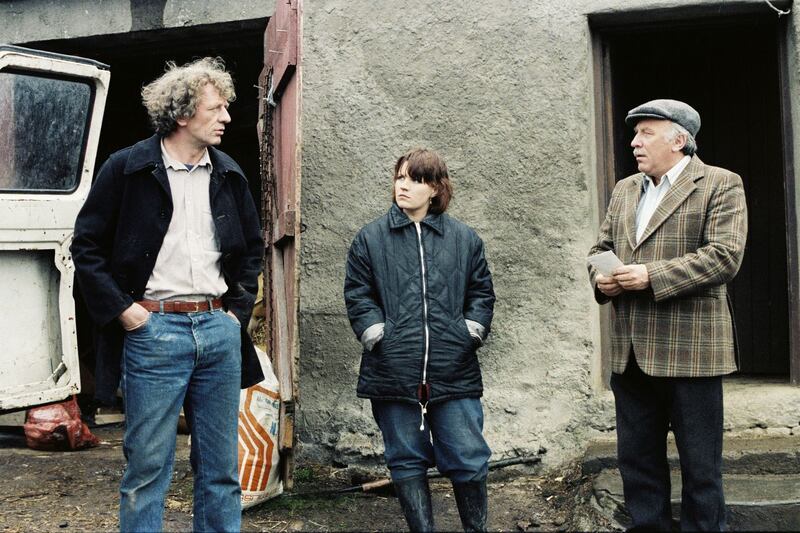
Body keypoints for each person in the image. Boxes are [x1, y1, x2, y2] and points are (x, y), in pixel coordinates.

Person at [71, 57, 264, 532]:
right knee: (147, 470)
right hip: (154, 332)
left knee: (221, 471)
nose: (226, 118)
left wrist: (235, 313)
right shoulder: (128, 168)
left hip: (218, 332)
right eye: (216, 108)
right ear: (182, 115)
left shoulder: (228, 173)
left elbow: (252, 250)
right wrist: (125, 312)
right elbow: (86, 246)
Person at [588, 99, 748, 531]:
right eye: (634, 134)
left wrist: (650, 276)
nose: (634, 142)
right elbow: (600, 249)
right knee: (637, 463)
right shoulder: (625, 188)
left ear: (679, 139)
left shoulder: (719, 183)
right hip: (632, 352)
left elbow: (724, 256)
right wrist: (601, 278)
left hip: (691, 350)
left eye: (646, 133)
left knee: (700, 468)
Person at [344, 148, 495, 532]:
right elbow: (358, 294)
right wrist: (378, 334)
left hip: (453, 368)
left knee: (468, 456)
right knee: (406, 458)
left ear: (435, 189)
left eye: (415, 179)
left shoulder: (464, 239)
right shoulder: (370, 239)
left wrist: (471, 332)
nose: (404, 186)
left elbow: (481, 293)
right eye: (399, 177)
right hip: (393, 369)